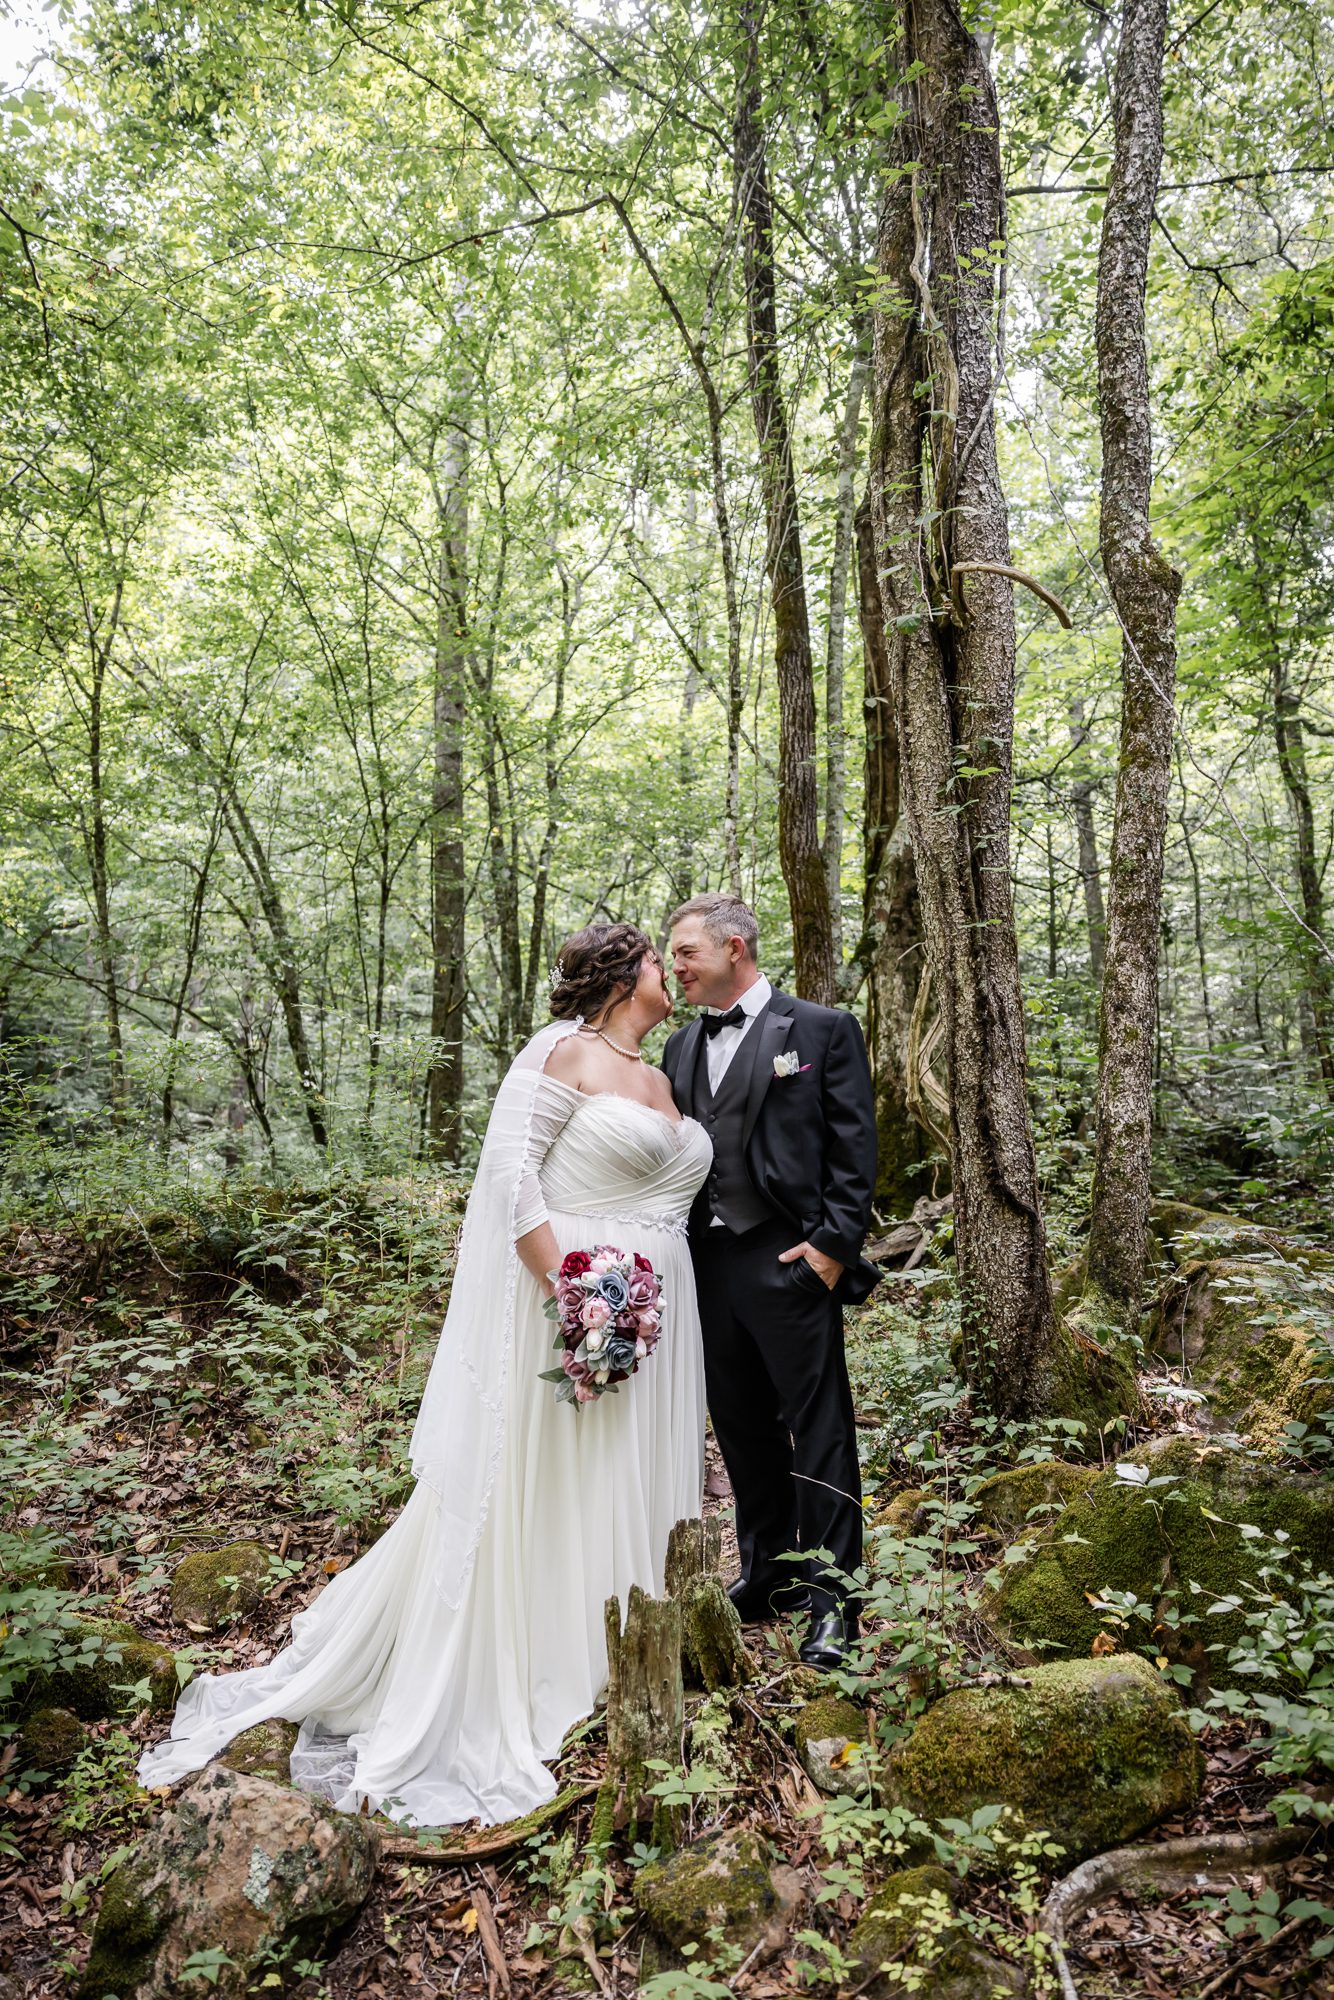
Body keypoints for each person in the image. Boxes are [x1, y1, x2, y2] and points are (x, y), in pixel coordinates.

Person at [138, 924, 712, 1827]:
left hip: (663, 1309)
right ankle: (565, 1656)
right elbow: (513, 1179)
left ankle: (642, 1631)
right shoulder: (560, 1054)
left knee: (630, 1468)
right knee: (571, 1476)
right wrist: (573, 1293)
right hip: (582, 1298)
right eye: (654, 960)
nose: (667, 974)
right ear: (620, 975)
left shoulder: (666, 1077)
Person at [663, 893, 879, 1669]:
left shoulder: (820, 1029)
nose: (675, 966)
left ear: (735, 947)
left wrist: (829, 1249)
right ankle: (768, 1574)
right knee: (744, 1429)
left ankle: (833, 1603)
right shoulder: (680, 1049)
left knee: (817, 1430)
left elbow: (854, 1149)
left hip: (790, 1261)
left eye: (686, 951)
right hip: (706, 1267)